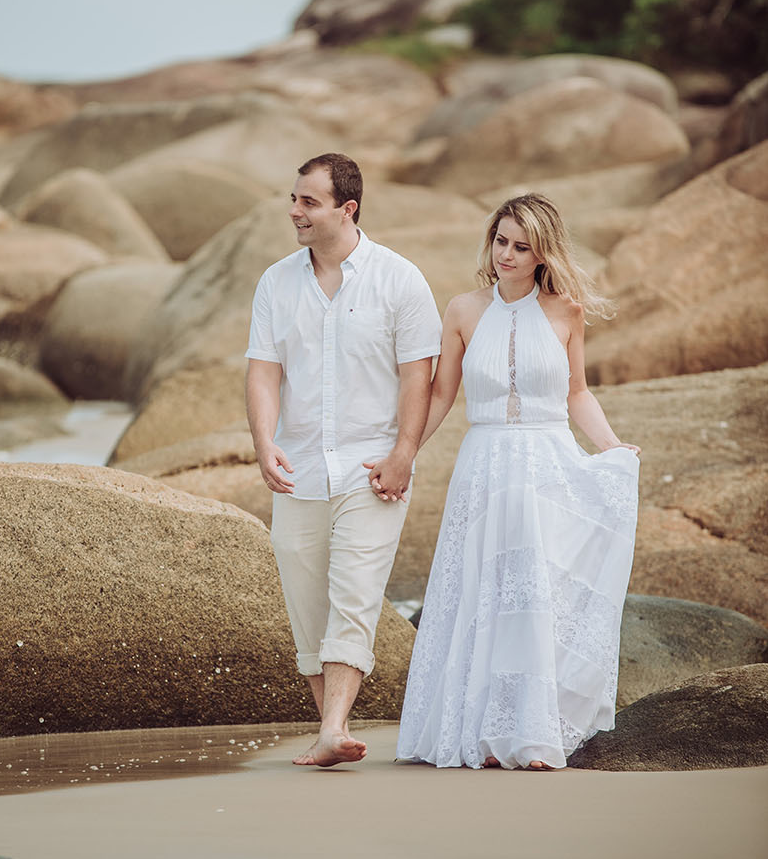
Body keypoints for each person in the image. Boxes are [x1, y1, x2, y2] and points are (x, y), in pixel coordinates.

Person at [396, 192, 640, 772]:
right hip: (483, 465)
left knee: (535, 593)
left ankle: (531, 735)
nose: (505, 253)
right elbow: (440, 395)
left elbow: (576, 392)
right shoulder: (461, 310)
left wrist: (610, 447)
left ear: (542, 254)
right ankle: (476, 732)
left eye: (520, 246)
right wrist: (403, 454)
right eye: (500, 240)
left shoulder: (567, 313)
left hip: (548, 464)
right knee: (480, 591)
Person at [246, 152, 442, 768]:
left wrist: (404, 454)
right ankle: (330, 723)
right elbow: (263, 373)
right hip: (299, 468)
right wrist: (263, 440)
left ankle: (333, 727)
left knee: (354, 596)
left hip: (371, 470)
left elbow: (420, 378)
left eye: (308, 201)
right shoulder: (275, 282)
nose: (294, 211)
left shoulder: (399, 279)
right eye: (294, 199)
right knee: (307, 604)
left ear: (346, 209)